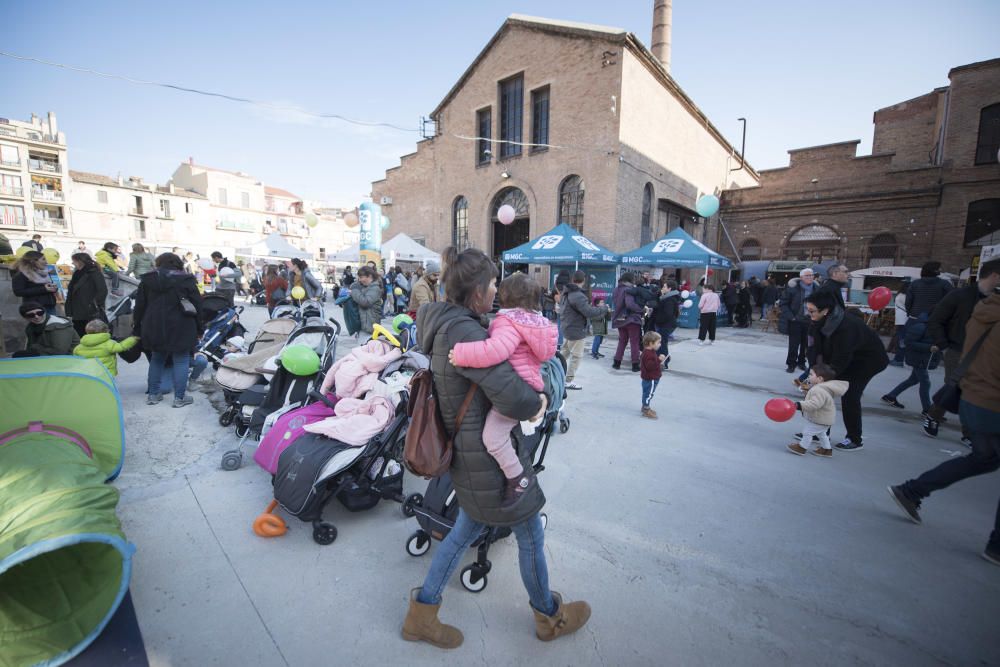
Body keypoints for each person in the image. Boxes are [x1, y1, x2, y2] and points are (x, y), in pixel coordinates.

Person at [403, 246, 589, 649]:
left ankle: (423, 612)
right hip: (487, 459)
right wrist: (539, 402)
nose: (496, 293)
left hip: (471, 454)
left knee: (462, 533)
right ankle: (548, 618)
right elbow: (513, 396)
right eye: (491, 285)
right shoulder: (465, 333)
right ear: (475, 292)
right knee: (530, 535)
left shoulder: (446, 322)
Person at [888, 290, 1000, 566]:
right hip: (991, 400)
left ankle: (913, 490)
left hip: (975, 395)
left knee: (984, 458)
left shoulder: (985, 308)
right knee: (985, 458)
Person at [449, 273, 557, 506]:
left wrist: (460, 354)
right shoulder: (537, 322)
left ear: (505, 298)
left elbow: (496, 349)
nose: (495, 290)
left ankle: (517, 478)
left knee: (493, 438)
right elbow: (545, 355)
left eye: (497, 287)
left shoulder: (509, 322)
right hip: (529, 385)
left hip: (513, 391)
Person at [923, 259, 1000, 440]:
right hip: (957, 349)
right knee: (959, 386)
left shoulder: (994, 299)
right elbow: (936, 319)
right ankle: (956, 426)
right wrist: (943, 343)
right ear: (995, 276)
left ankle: (967, 431)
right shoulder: (959, 295)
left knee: (972, 388)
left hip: (986, 353)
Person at [805, 291, 889, 451]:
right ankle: (821, 432)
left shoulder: (847, 327)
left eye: (812, 311)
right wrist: (815, 372)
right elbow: (814, 348)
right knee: (823, 392)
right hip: (844, 359)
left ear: (826, 310)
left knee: (849, 395)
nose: (809, 314)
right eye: (808, 310)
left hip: (866, 362)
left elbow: (841, 358)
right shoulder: (818, 322)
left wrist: (825, 377)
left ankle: (854, 438)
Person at [132, 252, 203, 408]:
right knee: (181, 360)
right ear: (178, 264)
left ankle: (153, 394)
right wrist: (200, 328)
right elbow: (198, 305)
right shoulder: (186, 280)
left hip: (153, 324)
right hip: (182, 324)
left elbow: (139, 307)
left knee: (157, 358)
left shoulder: (147, 280)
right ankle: (179, 398)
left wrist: (137, 327)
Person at [558, 270, 609, 390]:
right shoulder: (578, 295)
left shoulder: (566, 293)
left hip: (567, 328)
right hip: (576, 330)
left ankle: (555, 374)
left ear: (573, 280)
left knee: (563, 354)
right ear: (584, 280)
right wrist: (603, 309)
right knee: (576, 356)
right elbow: (589, 312)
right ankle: (567, 381)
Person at [880, 313, 938, 416]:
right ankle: (927, 409)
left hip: (923, 358)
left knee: (913, 380)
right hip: (918, 358)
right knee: (925, 382)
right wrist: (928, 347)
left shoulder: (932, 326)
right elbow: (909, 342)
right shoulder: (921, 326)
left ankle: (891, 396)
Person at [786, 362, 849, 457]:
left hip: (819, 419)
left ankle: (801, 448)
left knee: (807, 432)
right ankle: (826, 450)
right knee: (822, 434)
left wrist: (799, 405)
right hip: (825, 419)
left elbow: (814, 404)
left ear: (820, 379)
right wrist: (808, 391)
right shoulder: (821, 388)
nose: (809, 376)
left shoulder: (819, 390)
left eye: (811, 374)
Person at [780, 269, 816, 372]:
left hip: (810, 321)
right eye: (807, 276)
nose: (810, 277)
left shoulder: (816, 288)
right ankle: (791, 364)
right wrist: (791, 316)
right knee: (794, 344)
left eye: (811, 275)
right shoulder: (793, 288)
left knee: (806, 344)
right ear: (801, 278)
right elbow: (783, 303)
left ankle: (801, 362)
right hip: (796, 320)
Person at [73, 319, 139, 376]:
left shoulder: (78, 347)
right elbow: (121, 347)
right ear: (106, 331)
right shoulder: (109, 343)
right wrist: (133, 339)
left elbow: (76, 359)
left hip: (88, 374)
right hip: (106, 374)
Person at [64, 252, 108, 337]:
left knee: (91, 335)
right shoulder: (77, 274)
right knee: (79, 334)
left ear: (81, 261)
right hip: (76, 311)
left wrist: (94, 304)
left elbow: (102, 290)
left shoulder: (94, 272)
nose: (72, 263)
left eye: (74, 261)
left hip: (89, 311)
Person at [611, 272, 644, 372]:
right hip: (631, 319)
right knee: (634, 342)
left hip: (620, 319)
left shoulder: (616, 289)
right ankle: (635, 365)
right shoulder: (628, 289)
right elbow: (630, 304)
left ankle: (617, 362)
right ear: (630, 280)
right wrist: (641, 309)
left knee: (622, 341)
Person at [651, 278, 680, 368]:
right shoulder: (666, 297)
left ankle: (664, 362)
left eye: (664, 286)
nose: (662, 288)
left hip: (666, 325)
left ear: (669, 289)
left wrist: (659, 320)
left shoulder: (670, 299)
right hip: (666, 324)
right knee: (662, 342)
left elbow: (668, 314)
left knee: (662, 343)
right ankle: (663, 360)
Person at [350, 266, 383, 335]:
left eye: (361, 277)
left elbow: (365, 302)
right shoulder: (366, 287)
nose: (360, 280)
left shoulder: (375, 288)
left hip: (370, 328)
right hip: (364, 326)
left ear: (370, 276)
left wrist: (354, 292)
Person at [639, 331, 665, 419]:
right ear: (651, 343)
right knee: (649, 394)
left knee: (647, 393)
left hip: (650, 377)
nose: (660, 344)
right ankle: (646, 409)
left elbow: (652, 364)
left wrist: (659, 363)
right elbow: (650, 366)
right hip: (651, 379)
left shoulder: (650, 351)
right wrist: (659, 360)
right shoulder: (648, 354)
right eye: (658, 342)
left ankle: (645, 407)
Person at [888, 287, 908, 367]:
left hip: (901, 319)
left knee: (901, 339)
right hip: (905, 319)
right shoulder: (905, 296)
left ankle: (898, 359)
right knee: (902, 339)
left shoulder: (899, 295)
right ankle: (899, 359)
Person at [590, 295, 609, 359]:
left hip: (602, 327)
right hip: (597, 327)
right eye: (601, 302)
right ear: (597, 304)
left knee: (600, 341)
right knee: (597, 340)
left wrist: (608, 312)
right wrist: (604, 312)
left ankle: (597, 351)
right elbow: (596, 318)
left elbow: (608, 318)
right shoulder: (594, 310)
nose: (603, 304)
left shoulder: (603, 310)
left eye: (603, 302)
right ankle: (593, 352)